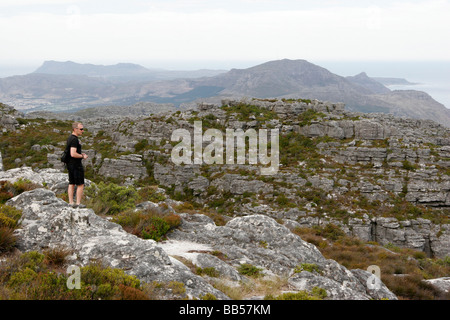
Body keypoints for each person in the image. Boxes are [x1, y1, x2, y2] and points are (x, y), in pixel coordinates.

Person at [66, 122, 88, 208]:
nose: (83, 131)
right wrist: (82, 156)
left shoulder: (70, 138)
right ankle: (78, 204)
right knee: (80, 184)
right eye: (81, 129)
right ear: (75, 129)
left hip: (70, 164)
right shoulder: (75, 139)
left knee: (71, 183)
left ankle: (71, 203)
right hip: (76, 164)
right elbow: (73, 154)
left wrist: (79, 153)